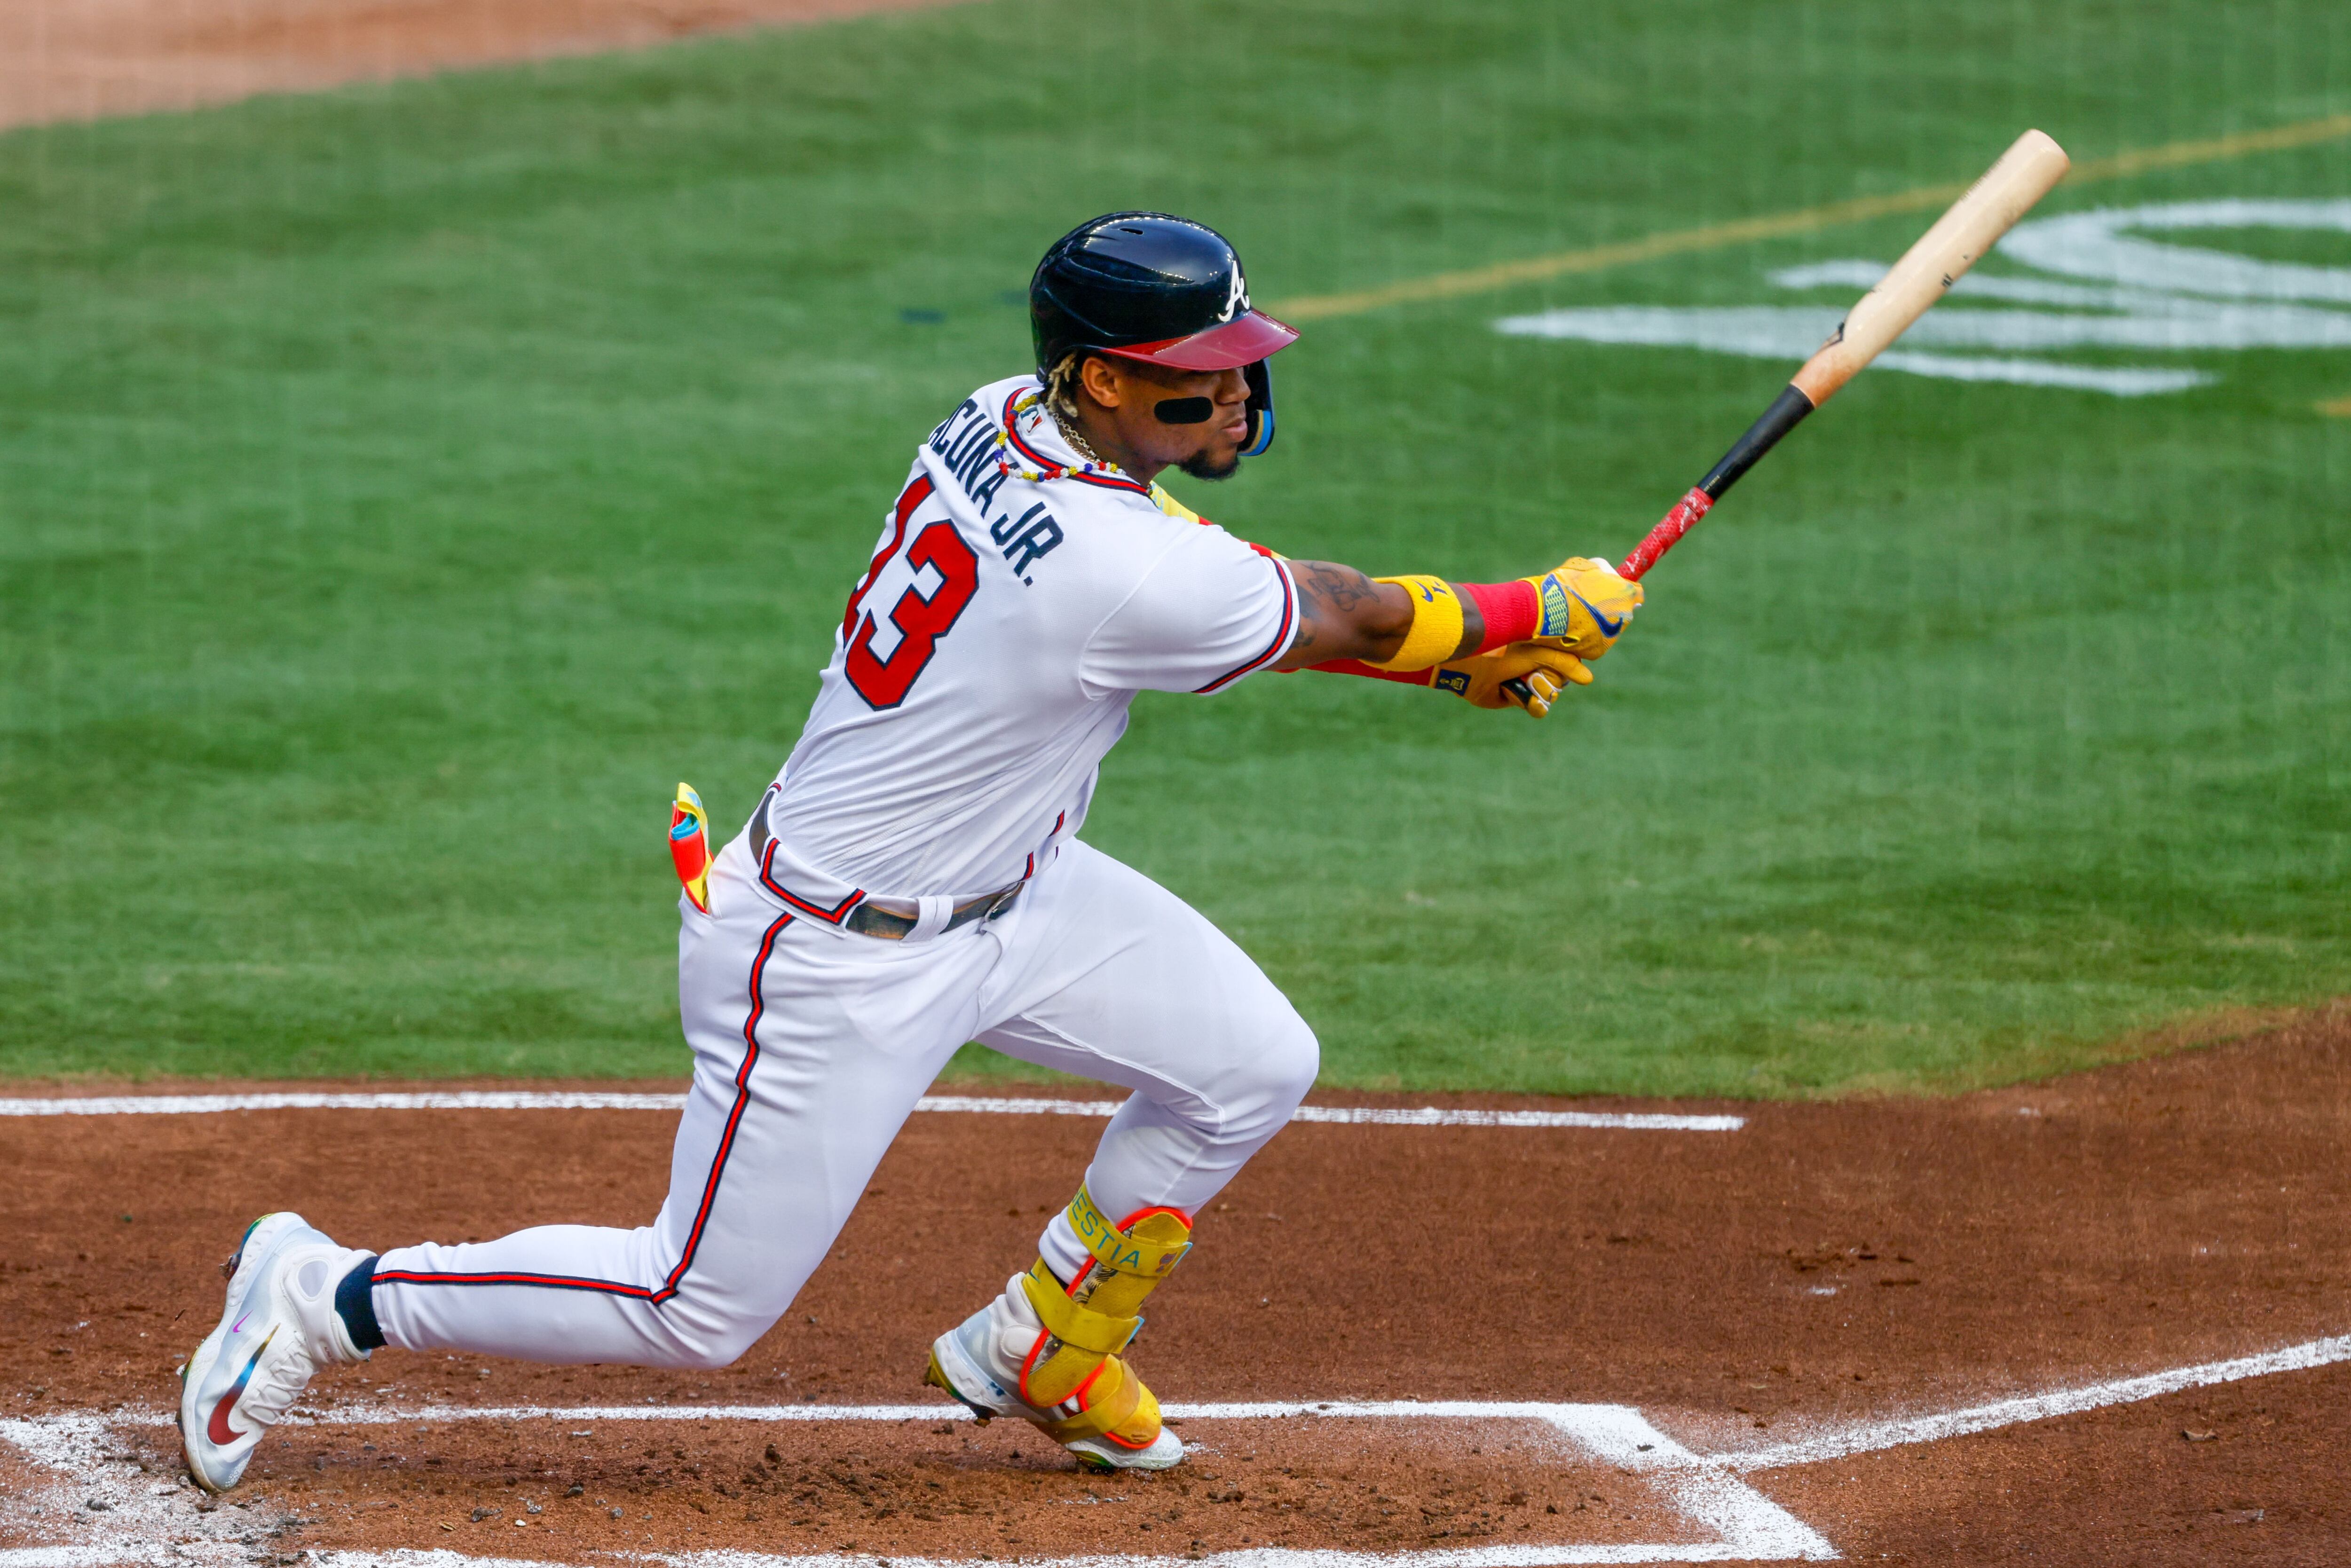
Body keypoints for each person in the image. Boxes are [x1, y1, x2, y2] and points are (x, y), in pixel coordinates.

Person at [176, 212, 1642, 1489]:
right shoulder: (1124, 563)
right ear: (1099, 377)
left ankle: (1050, 1345)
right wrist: (1529, 615)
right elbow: (1334, 610)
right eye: (1195, 378)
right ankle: (322, 1293)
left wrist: (1449, 670)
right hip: (829, 952)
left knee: (1252, 1064)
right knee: (699, 1307)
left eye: (1238, 363)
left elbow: (1251, 607)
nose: (1234, 397)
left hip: (1024, 896)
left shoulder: (1005, 414)